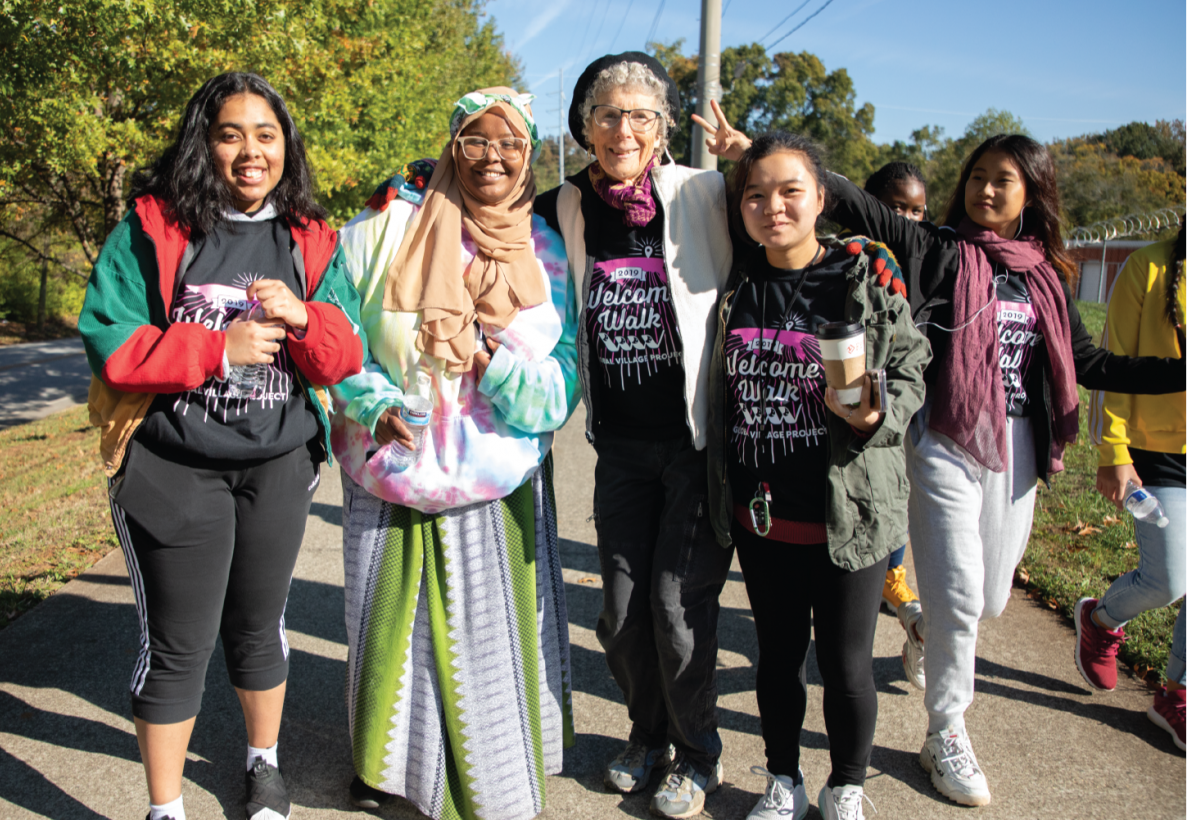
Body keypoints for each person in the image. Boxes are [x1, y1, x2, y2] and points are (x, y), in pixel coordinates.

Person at [822, 134, 1187, 806]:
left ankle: (927, 627)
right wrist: (780, 160)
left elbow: (1092, 364)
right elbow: (860, 207)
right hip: (945, 439)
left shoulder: (1045, 275)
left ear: (1032, 193)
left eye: (1004, 180)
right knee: (962, 593)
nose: (986, 190)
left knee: (984, 600)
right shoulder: (936, 249)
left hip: (1017, 450)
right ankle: (946, 730)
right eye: (978, 177)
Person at [78, 72, 364, 820]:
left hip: (276, 465)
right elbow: (112, 341)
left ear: (285, 146)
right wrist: (216, 348)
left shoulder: (309, 234)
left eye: (265, 135)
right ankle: (164, 807)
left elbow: (343, 353)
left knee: (259, 623)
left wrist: (304, 316)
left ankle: (263, 766)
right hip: (172, 468)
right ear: (204, 143)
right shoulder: (153, 227)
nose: (250, 151)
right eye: (231, 133)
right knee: (179, 643)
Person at [328, 87, 578, 820]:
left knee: (485, 642)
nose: (491, 157)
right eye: (475, 140)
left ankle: (492, 781)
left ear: (528, 156)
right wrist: (373, 405)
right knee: (389, 633)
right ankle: (389, 769)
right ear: (451, 146)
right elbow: (338, 333)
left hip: (497, 480)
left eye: (509, 144)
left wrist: (495, 367)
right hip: (392, 469)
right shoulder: (379, 234)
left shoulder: (547, 250)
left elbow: (563, 378)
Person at [534, 52, 736, 819]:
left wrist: (756, 161)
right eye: (608, 114)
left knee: (677, 612)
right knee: (620, 615)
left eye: (641, 115)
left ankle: (698, 753)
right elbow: (480, 220)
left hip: (694, 448)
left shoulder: (705, 192)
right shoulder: (564, 205)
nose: (624, 129)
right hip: (618, 446)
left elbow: (800, 218)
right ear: (584, 126)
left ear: (661, 129)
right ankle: (646, 735)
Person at [706, 132, 930, 820]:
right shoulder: (732, 283)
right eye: (755, 194)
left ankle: (847, 786)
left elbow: (910, 371)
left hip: (850, 512)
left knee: (846, 664)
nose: (772, 205)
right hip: (763, 515)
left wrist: (874, 416)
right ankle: (783, 781)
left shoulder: (861, 275)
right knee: (777, 659)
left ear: (821, 198)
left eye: (789, 191)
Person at [1078, 224, 1187, 753]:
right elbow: (1114, 364)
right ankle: (1100, 618)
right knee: (1168, 580)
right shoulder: (1148, 266)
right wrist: (1113, 451)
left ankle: (1176, 697)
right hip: (1157, 452)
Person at [861, 161, 928, 686]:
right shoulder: (857, 256)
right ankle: (893, 585)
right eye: (895, 207)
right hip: (863, 406)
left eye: (915, 210)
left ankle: (895, 581)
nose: (906, 218)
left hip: (914, 403)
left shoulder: (931, 258)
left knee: (900, 497)